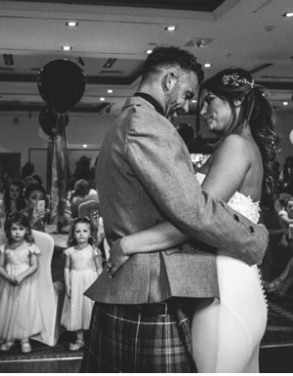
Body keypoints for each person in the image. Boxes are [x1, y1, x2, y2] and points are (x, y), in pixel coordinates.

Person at [81, 53, 268, 373]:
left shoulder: (233, 144)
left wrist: (254, 235)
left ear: (237, 104)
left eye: (207, 100)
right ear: (168, 80)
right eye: (191, 96)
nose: (193, 108)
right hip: (206, 277)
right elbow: (192, 210)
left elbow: (194, 212)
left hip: (224, 279)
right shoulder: (147, 123)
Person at [0, 212, 44, 354]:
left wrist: (21, 277)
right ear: (8, 231)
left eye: (21, 229)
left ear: (26, 230)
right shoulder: (5, 248)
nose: (18, 232)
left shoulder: (30, 247)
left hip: (24, 282)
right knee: (9, 308)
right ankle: (10, 338)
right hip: (9, 281)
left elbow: (34, 266)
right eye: (14, 229)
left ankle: (24, 338)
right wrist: (7, 277)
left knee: (23, 308)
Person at [61, 217, 103, 352]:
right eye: (78, 231)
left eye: (85, 231)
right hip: (76, 283)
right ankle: (80, 339)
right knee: (77, 310)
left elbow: (99, 269)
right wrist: (68, 285)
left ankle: (92, 340)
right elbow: (67, 268)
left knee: (89, 310)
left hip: (90, 283)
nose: (81, 234)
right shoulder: (70, 251)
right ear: (73, 233)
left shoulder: (94, 251)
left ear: (90, 233)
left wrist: (99, 285)